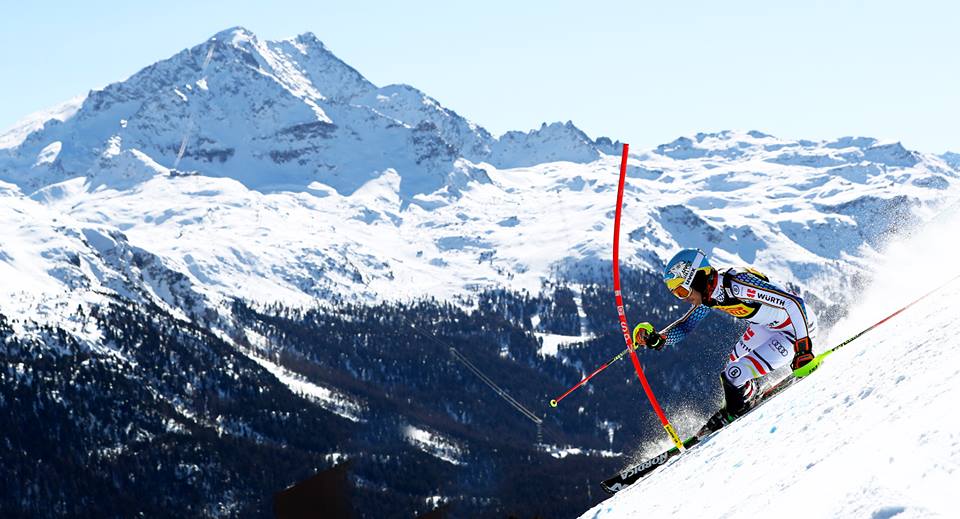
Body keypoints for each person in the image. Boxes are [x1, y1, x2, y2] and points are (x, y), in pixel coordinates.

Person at [632, 248, 816, 429]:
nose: (683, 299)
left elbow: (793, 303)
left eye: (682, 291)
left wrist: (803, 348)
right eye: (677, 295)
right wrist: (659, 338)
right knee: (733, 363)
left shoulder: (736, 285)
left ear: (696, 279)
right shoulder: (710, 295)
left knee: (732, 375)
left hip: (796, 328)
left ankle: (735, 410)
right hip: (767, 327)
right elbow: (685, 326)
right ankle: (746, 396)